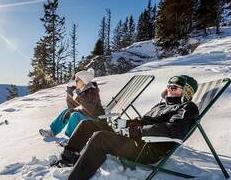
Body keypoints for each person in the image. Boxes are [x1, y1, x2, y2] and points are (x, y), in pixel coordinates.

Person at [54, 75, 200, 180]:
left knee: (100, 138)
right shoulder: (161, 105)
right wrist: (127, 124)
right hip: (137, 139)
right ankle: (67, 159)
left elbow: (172, 130)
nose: (170, 89)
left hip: (148, 149)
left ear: (187, 92)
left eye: (174, 87)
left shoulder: (187, 108)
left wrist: (135, 131)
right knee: (88, 124)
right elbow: (144, 122)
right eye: (168, 86)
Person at [39, 68, 105, 138]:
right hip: (88, 118)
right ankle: (52, 131)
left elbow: (88, 110)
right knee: (66, 111)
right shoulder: (83, 91)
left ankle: (71, 140)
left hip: (96, 121)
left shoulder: (92, 91)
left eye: (77, 80)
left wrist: (72, 111)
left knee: (75, 115)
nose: (75, 82)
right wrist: (69, 92)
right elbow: (71, 107)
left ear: (83, 81)